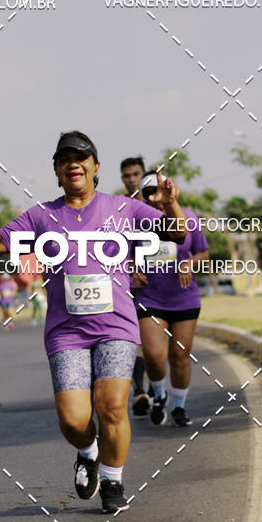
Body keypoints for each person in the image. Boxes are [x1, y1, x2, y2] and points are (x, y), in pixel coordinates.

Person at [0, 131, 188, 513]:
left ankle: (113, 480)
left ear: (95, 167)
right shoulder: (41, 216)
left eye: (81, 157)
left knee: (112, 406)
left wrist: (170, 207)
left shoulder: (124, 209)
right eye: (65, 158)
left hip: (116, 326)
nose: (74, 163)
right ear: (56, 170)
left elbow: (177, 232)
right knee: (73, 418)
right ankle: (88, 452)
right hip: (66, 331)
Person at [132, 170, 209, 427]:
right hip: (149, 298)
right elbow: (119, 253)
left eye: (158, 191)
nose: (155, 197)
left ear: (170, 191)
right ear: (142, 196)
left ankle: (178, 406)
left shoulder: (188, 217)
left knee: (180, 355)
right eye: (148, 193)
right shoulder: (134, 221)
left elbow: (203, 253)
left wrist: (189, 263)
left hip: (183, 299)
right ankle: (159, 394)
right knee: (154, 355)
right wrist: (131, 268)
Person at [120, 156, 151, 415]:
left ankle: (157, 390)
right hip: (130, 286)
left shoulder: (157, 204)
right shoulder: (118, 208)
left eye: (135, 174)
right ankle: (140, 390)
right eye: (126, 175)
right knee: (137, 339)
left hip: (160, 285)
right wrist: (131, 267)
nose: (131, 179)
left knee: (155, 344)